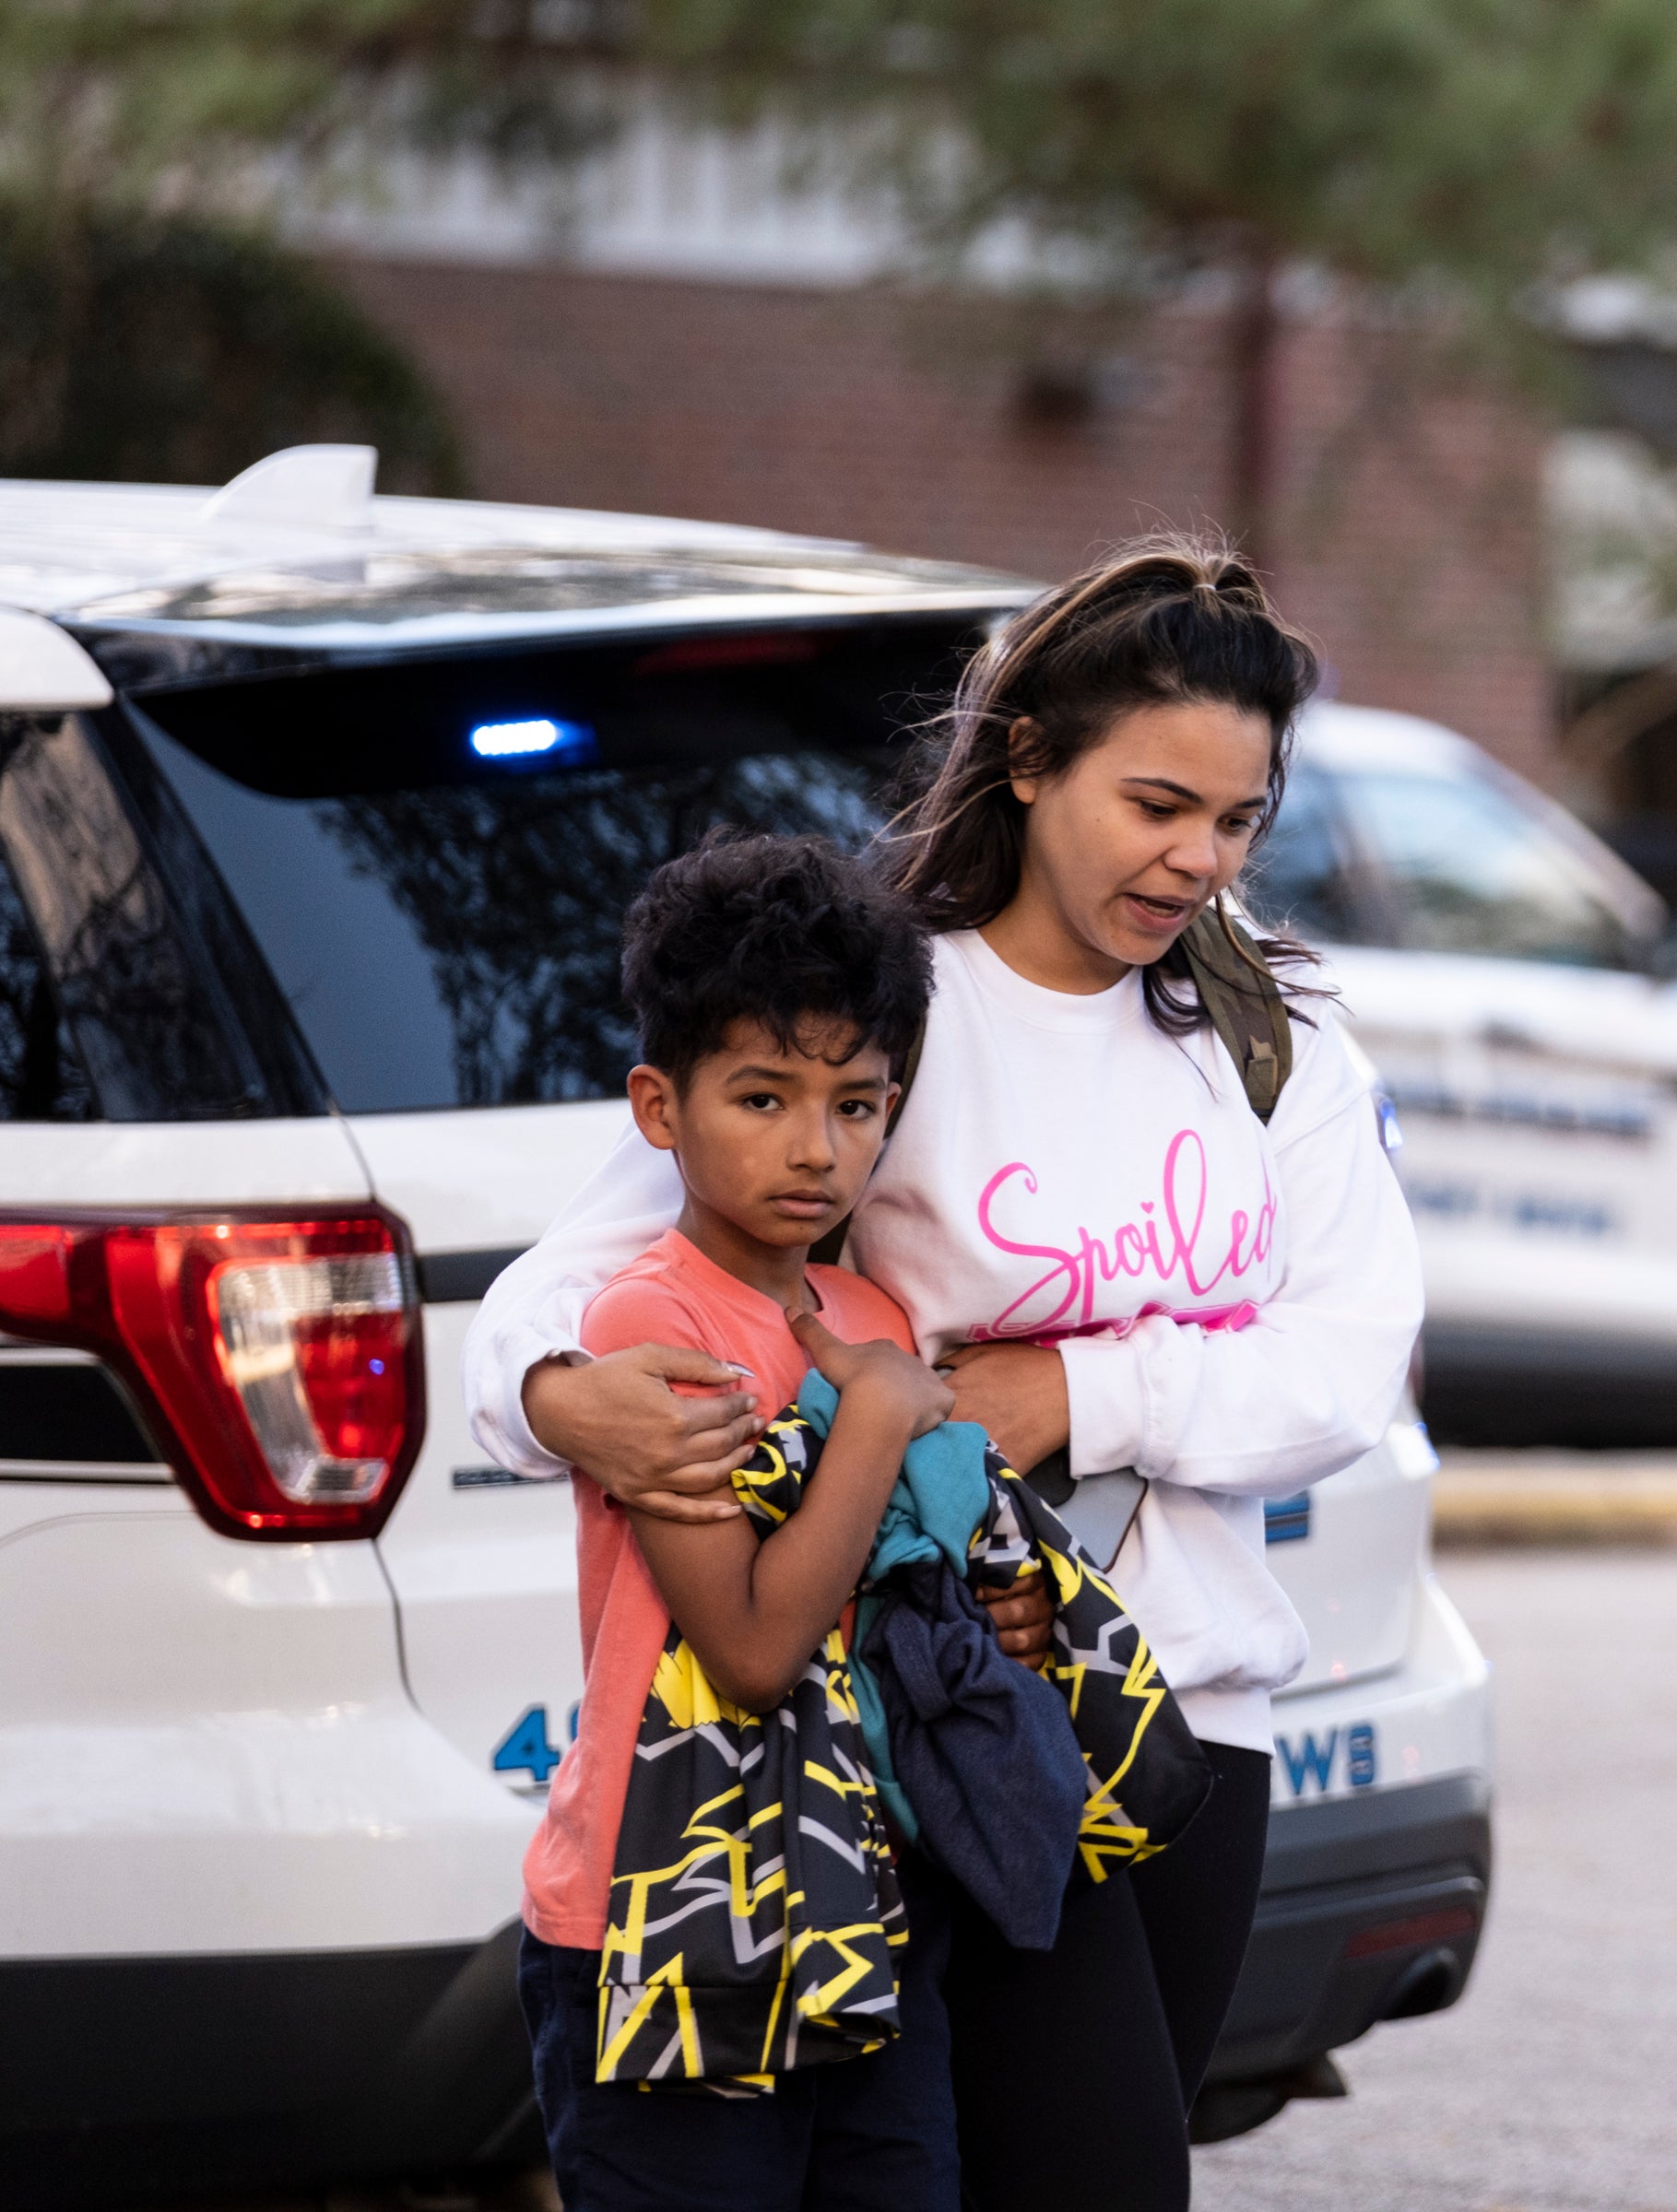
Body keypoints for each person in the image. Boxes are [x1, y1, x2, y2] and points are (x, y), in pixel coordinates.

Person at [466, 537, 1425, 2212]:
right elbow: (570, 1286)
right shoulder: (892, 1007)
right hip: (963, 1715)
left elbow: (1349, 1364)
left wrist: (1075, 1397)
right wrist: (557, 1398)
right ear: (1032, 761)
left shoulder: (1273, 1038)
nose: (1198, 860)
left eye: (1236, 819)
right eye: (1155, 805)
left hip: (1194, 1717)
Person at [519, 830, 962, 2210]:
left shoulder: (871, 1314)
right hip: (669, 1909)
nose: (816, 1149)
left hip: (858, 1900)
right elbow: (756, 1648)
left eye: (856, 1104)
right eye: (762, 1097)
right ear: (660, 1107)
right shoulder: (650, 1323)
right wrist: (876, 1422)